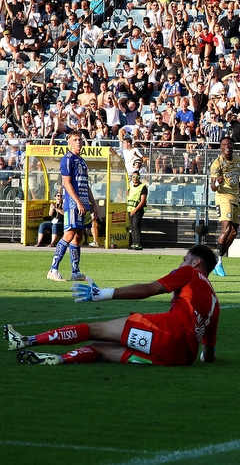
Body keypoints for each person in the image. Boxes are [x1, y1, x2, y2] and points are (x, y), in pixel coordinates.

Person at [6, 245, 219, 366]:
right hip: (181, 357)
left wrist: (103, 294)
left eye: (184, 259)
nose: (181, 263)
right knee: (98, 350)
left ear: (195, 263)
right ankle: (59, 359)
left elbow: (148, 290)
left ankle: (26, 341)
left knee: (94, 330)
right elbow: (207, 355)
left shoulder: (189, 272)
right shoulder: (215, 302)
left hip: (165, 329)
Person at [49, 130, 100, 282]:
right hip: (73, 204)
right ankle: (53, 269)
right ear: (69, 142)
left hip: (83, 204)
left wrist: (94, 204)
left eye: (80, 139)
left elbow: (86, 185)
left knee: (78, 236)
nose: (79, 142)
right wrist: (78, 202)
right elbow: (66, 183)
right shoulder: (67, 159)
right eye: (75, 140)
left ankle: (75, 271)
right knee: (69, 234)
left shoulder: (82, 161)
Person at [209, 137, 240, 277]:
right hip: (223, 196)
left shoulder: (238, 161)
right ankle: (218, 261)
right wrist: (217, 183)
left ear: (232, 145)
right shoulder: (217, 164)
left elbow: (237, 180)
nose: (227, 146)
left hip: (235, 197)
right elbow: (212, 187)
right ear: (221, 147)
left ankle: (217, 257)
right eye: (224, 144)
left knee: (234, 231)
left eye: (229, 144)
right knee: (227, 227)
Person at [126, 170, 148, 251]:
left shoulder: (143, 187)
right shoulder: (131, 186)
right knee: (132, 226)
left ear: (139, 178)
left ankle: (138, 243)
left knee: (136, 226)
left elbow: (142, 201)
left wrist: (135, 210)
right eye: (134, 177)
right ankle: (134, 242)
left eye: (137, 177)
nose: (135, 178)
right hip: (130, 209)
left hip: (137, 209)